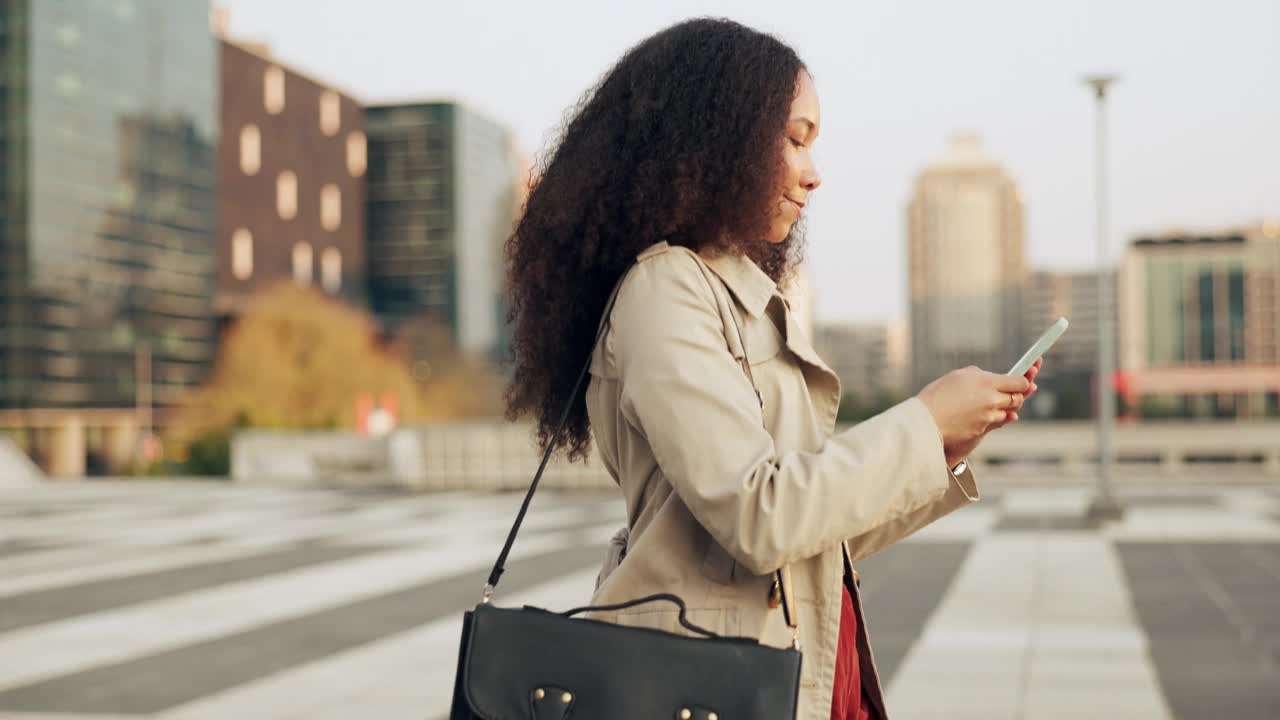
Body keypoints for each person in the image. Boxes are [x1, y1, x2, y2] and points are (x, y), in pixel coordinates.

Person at [504, 17, 1041, 720]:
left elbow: (811, 544)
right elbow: (761, 518)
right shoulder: (667, 290)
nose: (814, 175)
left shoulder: (739, 296)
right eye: (795, 140)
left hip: (796, 675)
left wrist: (937, 451)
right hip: (707, 687)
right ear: (718, 135)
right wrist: (921, 420)